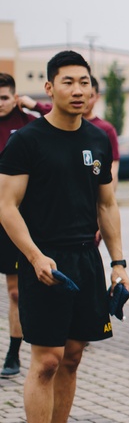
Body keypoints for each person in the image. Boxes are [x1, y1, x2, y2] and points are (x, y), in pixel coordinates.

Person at [0, 50, 129, 423]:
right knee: (47, 360)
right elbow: (6, 206)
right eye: (68, 82)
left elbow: (107, 204)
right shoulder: (27, 141)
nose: (79, 91)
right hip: (44, 260)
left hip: (85, 261)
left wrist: (118, 262)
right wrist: (34, 256)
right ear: (49, 88)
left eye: (85, 83)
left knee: (73, 356)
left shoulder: (97, 139)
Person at [0, 72, 45, 378]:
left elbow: (63, 118)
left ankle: (14, 352)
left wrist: (35, 105)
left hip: (18, 219)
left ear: (15, 97)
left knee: (16, 293)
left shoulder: (29, 124)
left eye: (4, 97)